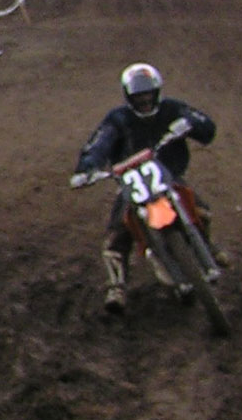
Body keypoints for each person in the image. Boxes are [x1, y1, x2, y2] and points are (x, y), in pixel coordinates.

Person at [74, 63, 220, 315]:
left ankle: (207, 248)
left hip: (168, 177)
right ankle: (117, 287)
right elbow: (99, 143)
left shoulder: (172, 109)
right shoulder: (118, 118)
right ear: (128, 96)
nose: (144, 101)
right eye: (138, 96)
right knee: (117, 236)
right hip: (131, 182)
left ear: (157, 92)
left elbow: (206, 127)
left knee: (201, 212)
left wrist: (190, 124)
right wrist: (86, 169)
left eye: (148, 94)